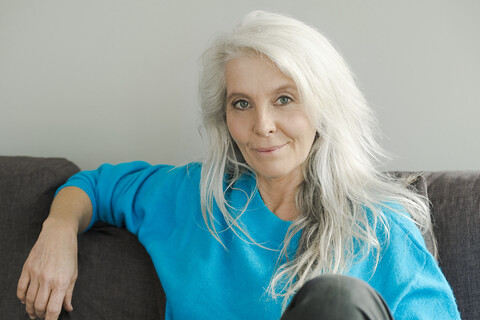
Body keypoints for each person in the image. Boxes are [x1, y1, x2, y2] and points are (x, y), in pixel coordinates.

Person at [17, 10, 460, 320]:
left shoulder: (380, 229)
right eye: (242, 104)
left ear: (324, 106)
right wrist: (57, 231)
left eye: (284, 99)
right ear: (224, 118)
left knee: (334, 299)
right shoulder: (192, 198)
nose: (262, 125)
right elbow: (96, 187)